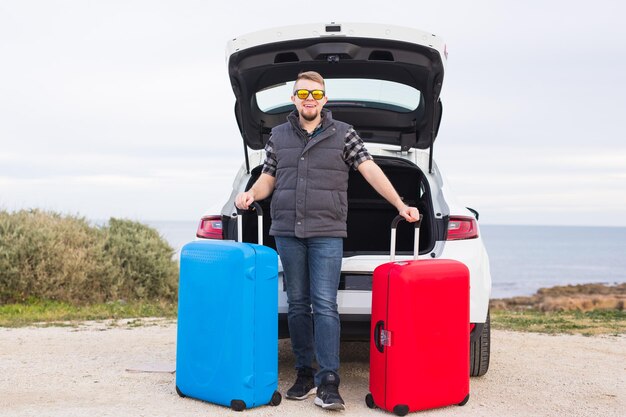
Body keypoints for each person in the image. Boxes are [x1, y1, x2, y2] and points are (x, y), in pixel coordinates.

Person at [235, 71, 420, 410]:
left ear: (324, 100)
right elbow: (267, 179)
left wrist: (400, 204)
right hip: (287, 231)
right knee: (298, 305)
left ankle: (329, 382)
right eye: (303, 92)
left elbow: (370, 170)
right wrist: (249, 195)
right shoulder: (277, 136)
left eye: (316, 94)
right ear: (293, 97)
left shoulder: (344, 134)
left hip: (327, 232)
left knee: (324, 304)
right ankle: (304, 373)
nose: (310, 98)